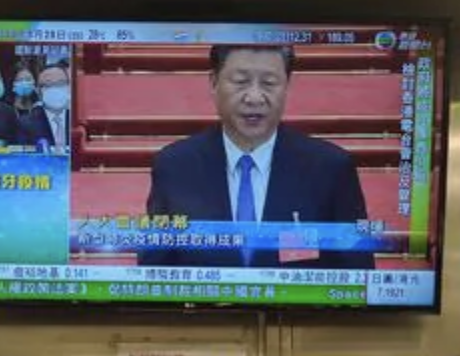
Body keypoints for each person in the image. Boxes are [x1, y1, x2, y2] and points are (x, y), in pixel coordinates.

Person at [140, 45, 374, 270]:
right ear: (213, 82)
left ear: (287, 86)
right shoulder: (175, 166)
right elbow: (153, 273)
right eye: (240, 82)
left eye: (269, 83)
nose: (254, 97)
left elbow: (359, 277)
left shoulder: (330, 168)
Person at [19, 62, 73, 151]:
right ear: (38, 91)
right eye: (48, 85)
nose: (55, 88)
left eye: (60, 83)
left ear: (69, 86)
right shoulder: (25, 124)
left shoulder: (78, 121)